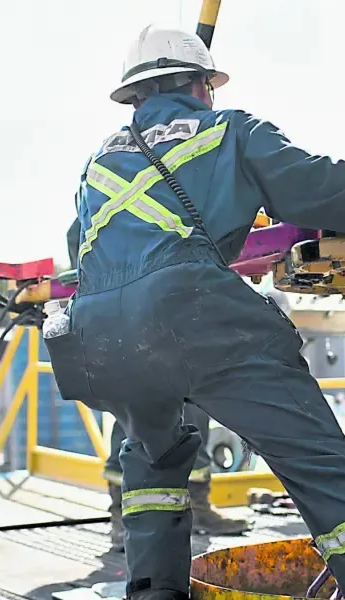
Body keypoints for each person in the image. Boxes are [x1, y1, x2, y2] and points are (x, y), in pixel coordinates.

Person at [48, 25, 345, 600]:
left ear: (134, 97)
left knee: (151, 466)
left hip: (99, 339)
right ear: (201, 86)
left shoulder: (99, 163)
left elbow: (84, 251)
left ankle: (152, 593)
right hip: (194, 316)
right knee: (320, 466)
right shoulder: (229, 131)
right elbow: (328, 187)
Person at [63, 227, 253, 555]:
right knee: (135, 418)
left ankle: (198, 506)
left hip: (182, 310)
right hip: (130, 314)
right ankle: (123, 518)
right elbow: (78, 238)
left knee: (194, 410)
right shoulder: (104, 206)